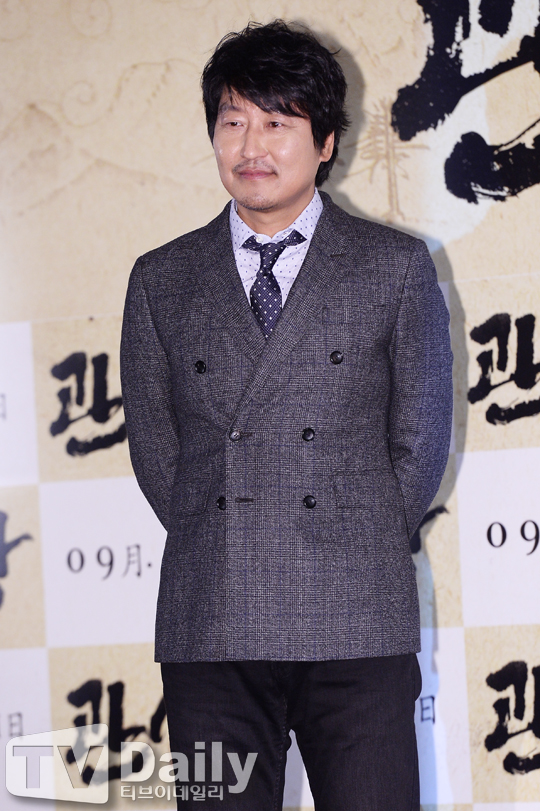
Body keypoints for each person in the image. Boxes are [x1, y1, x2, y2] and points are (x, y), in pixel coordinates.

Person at [120, 19, 453, 811]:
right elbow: (159, 452)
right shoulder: (162, 278)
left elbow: (418, 441)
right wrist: (220, 529)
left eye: (277, 122)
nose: (251, 146)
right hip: (212, 618)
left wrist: (352, 533)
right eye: (233, 120)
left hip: (355, 614)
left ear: (326, 141)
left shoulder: (393, 267)